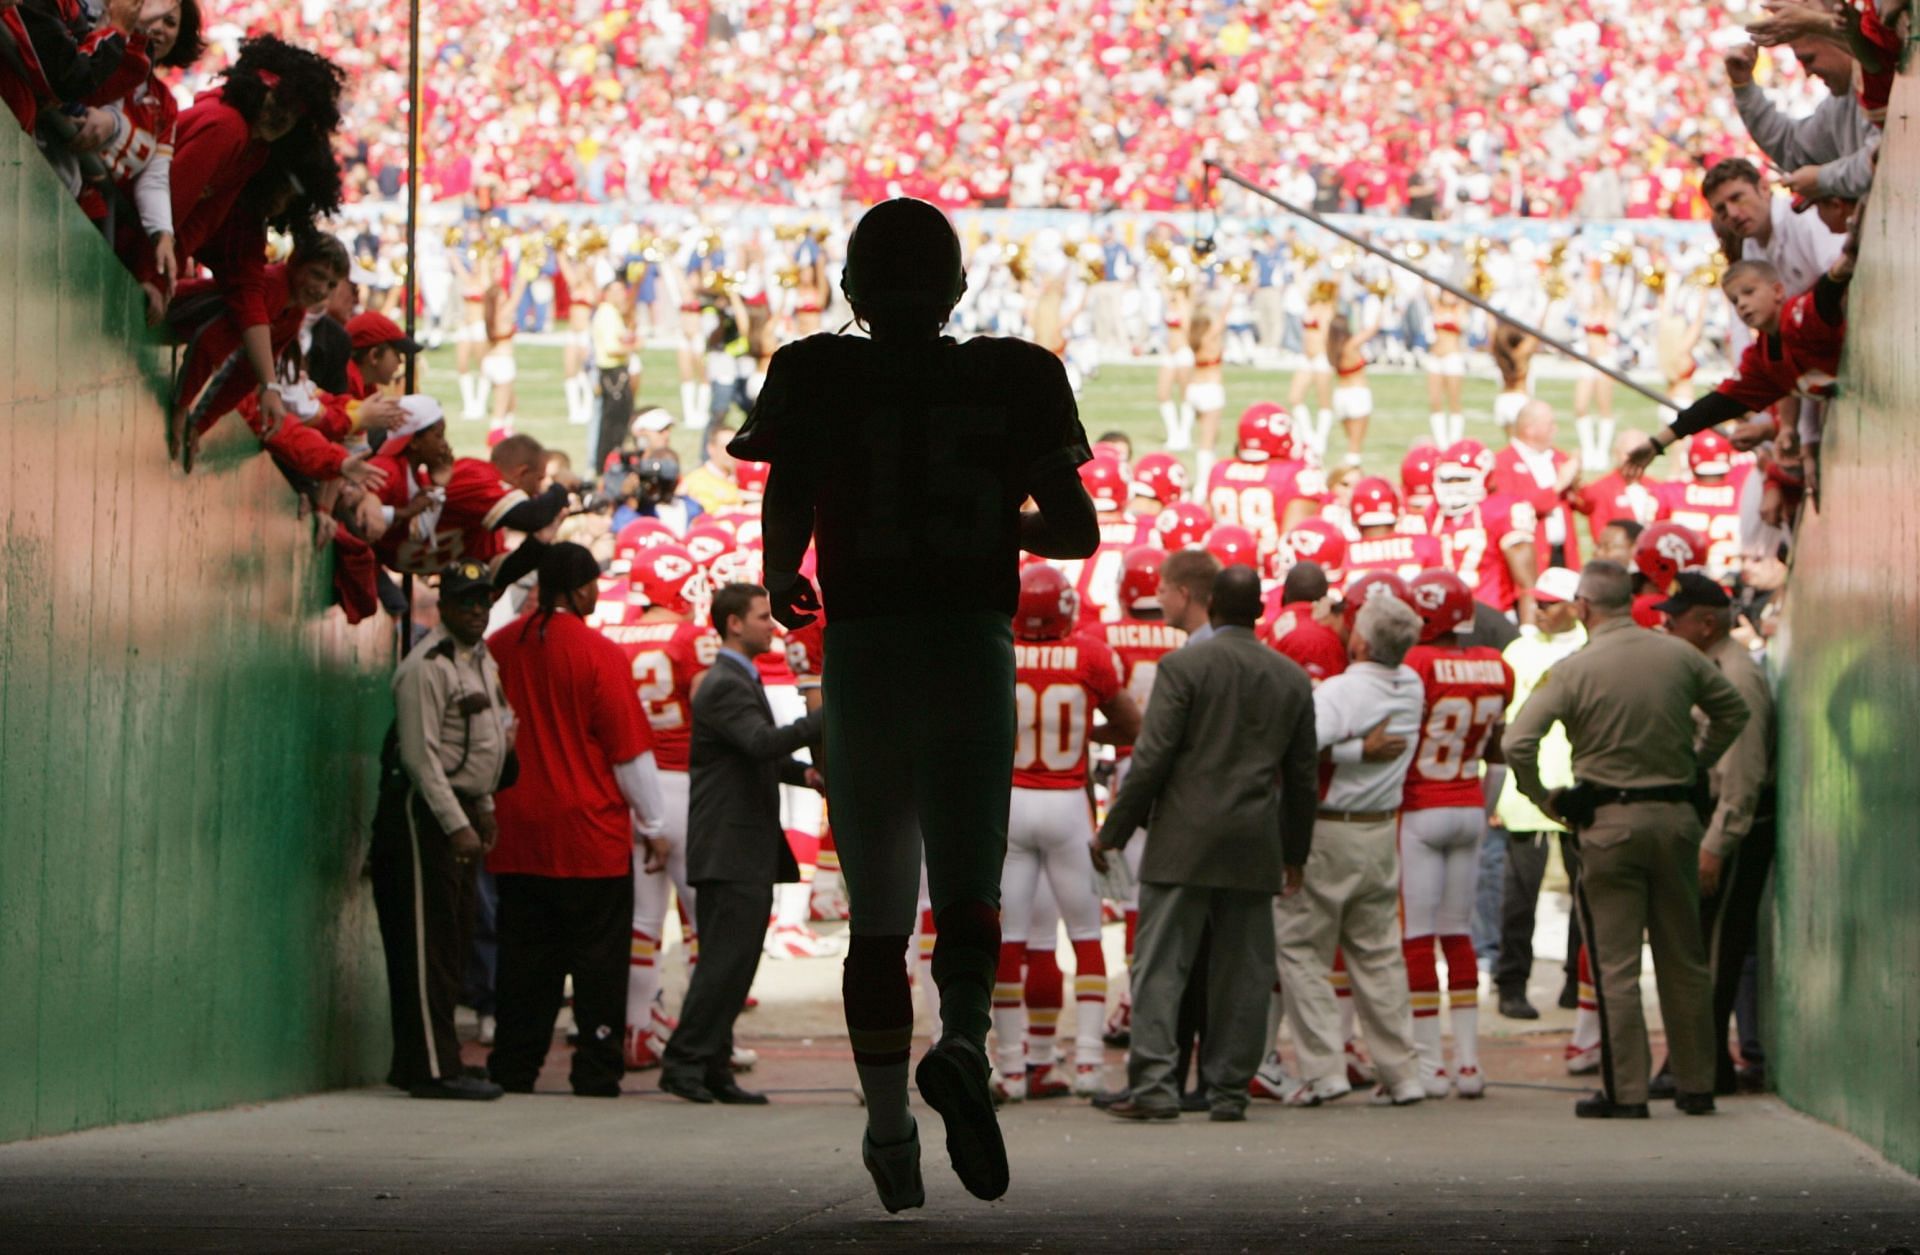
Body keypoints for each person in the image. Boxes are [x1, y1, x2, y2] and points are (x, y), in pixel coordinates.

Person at [729, 197, 1098, 1211]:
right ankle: (968, 1043)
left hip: (864, 648)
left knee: (881, 920)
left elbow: (785, 490)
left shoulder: (817, 369)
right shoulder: (1016, 374)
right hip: (971, 645)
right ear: (956, 288)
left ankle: (890, 1132)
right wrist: (984, 516)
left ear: (851, 289)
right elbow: (1073, 531)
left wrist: (781, 565)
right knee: (970, 887)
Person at [1502, 560, 1750, 1119]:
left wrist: (1546, 799)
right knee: (1683, 958)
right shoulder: (1679, 655)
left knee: (1614, 965)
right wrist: (1694, 765)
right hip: (1676, 819)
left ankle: (1627, 1092)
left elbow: (1519, 741)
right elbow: (1733, 713)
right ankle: (1696, 1085)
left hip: (1608, 825)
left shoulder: (1574, 669)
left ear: (1584, 608)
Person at [1091, 565, 1319, 1122]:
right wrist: (1295, 853)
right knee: (1243, 971)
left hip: (1183, 839)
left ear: (1211, 605)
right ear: (1261, 611)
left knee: (1162, 964)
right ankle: (1229, 1091)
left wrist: (1114, 831)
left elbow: (1152, 758)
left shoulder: (1184, 667)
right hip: (1253, 840)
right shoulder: (1290, 678)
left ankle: (1154, 1086)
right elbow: (1303, 777)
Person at [484, 544, 669, 1097]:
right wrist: (654, 827)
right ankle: (595, 1070)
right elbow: (629, 753)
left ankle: (514, 1067)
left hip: (515, 831)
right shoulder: (598, 654)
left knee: (522, 962)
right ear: (584, 589)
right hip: (591, 836)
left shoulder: (497, 647)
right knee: (598, 964)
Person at [659, 583, 823, 1104]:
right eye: (760, 617)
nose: (770, 626)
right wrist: (824, 716)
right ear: (733, 623)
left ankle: (711, 1065)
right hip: (730, 848)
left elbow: (757, 755)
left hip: (734, 846)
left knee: (734, 962)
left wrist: (806, 776)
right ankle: (686, 1062)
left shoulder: (733, 680)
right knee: (725, 964)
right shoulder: (727, 684)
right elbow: (758, 743)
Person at [1274, 593, 1429, 1108]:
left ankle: (1324, 1072)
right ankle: (1402, 1072)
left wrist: (1351, 749)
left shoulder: (1341, 692)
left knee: (1301, 949)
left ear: (1360, 639)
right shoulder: (1412, 685)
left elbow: (1297, 749)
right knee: (1379, 953)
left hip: (1331, 829)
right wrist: (1361, 749)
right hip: (1381, 830)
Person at [993, 565, 1139, 1101]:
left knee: (1009, 939)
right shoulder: (1089, 654)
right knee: (1085, 935)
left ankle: (1011, 1068)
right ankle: (1087, 1064)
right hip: (1067, 801)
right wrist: (1081, 729)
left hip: (1010, 803)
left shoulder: (999, 650)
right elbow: (1132, 726)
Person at [369, 560, 511, 1101]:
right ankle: (432, 1068)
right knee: (426, 944)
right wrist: (456, 823)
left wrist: (487, 808)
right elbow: (420, 757)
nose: (476, 609)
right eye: (465, 600)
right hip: (426, 813)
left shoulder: (480, 660)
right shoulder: (427, 665)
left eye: (482, 600)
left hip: (467, 809)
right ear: (444, 605)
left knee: (452, 939)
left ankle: (427, 1059)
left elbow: (488, 740)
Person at [1652, 573, 1776, 1096]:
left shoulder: (1736, 675)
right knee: (1699, 949)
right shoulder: (1706, 668)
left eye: (1675, 617)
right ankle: (1700, 1063)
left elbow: (1743, 773)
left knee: (1715, 953)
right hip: (1712, 819)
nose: (1666, 625)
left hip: (1734, 828)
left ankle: (1699, 1068)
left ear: (1706, 623)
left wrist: (1716, 844)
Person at [599, 543, 716, 1070]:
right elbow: (712, 708)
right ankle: (706, 1040)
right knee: (706, 921)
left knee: (643, 920)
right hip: (685, 786)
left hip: (632, 789)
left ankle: (636, 1029)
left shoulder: (612, 636)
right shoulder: (691, 637)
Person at [1398, 569, 1515, 1098]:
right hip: (1468, 802)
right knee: (1459, 932)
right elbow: (1496, 749)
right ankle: (1469, 1063)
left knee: (1417, 936)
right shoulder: (1495, 666)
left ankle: (1429, 1063)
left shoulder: (1416, 664)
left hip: (1421, 807)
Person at [1490, 568, 1587, 1023]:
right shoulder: (1519, 650)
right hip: (1523, 793)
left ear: (1574, 605)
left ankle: (1577, 982)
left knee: (1586, 898)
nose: (1540, 609)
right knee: (1518, 900)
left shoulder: (1591, 648)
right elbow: (1499, 721)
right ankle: (1512, 984)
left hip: (1577, 788)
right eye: (1538, 601)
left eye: (1551, 603)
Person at [1491, 401, 1583, 571]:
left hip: (1564, 555)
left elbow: (1579, 504)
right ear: (1529, 429)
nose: (1555, 429)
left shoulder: (1559, 457)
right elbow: (1515, 509)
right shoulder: (1503, 463)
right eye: (1550, 424)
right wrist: (1558, 485)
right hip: (1531, 559)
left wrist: (1576, 482)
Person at [591, 279, 638, 472]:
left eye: (622, 290)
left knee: (616, 420)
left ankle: (608, 462)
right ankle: (607, 464)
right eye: (616, 291)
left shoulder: (612, 313)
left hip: (615, 372)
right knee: (614, 423)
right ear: (606, 293)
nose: (621, 295)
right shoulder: (607, 314)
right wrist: (634, 346)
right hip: (613, 374)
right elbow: (612, 348)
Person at [680, 424, 743, 515]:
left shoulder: (739, 477)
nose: (731, 452)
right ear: (711, 449)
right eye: (726, 447)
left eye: (736, 447)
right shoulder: (696, 480)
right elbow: (709, 513)